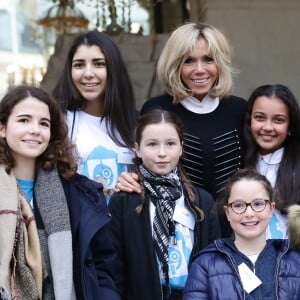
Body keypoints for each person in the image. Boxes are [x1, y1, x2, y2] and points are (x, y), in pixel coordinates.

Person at [115, 22, 246, 236]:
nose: (200, 69)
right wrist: (130, 177)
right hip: (179, 231)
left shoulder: (239, 109)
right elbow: (144, 166)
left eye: (208, 59)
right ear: (175, 65)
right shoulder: (157, 109)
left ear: (220, 63)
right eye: (189, 61)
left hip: (236, 229)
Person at [0, 85, 120, 300]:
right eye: (24, 120)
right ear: (2, 128)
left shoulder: (82, 193)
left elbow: (103, 268)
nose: (35, 129)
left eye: (43, 123)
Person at [109, 109, 220, 300]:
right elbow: (114, 266)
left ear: (181, 146)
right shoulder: (124, 200)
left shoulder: (201, 201)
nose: (162, 153)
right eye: (152, 144)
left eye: (170, 144)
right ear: (137, 149)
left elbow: (215, 263)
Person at [183, 168, 300, 300]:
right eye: (239, 205)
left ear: (271, 209)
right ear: (227, 212)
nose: (249, 213)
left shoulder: (295, 261)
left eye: (258, 204)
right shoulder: (205, 264)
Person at [52, 30, 137, 198]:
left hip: (125, 220)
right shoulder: (57, 122)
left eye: (99, 64)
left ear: (113, 69)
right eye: (79, 65)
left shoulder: (134, 122)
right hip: (79, 222)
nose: (88, 73)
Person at [244, 84, 300, 239]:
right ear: (249, 120)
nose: (268, 127)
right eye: (260, 118)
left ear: (290, 125)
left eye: (278, 120)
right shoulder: (238, 161)